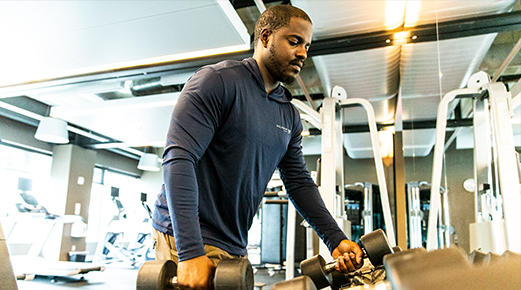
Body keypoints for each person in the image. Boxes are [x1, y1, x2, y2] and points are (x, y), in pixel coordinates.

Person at [151, 4, 363, 289]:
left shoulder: (288, 114)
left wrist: (335, 239)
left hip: (234, 244)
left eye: (307, 46)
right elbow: (179, 159)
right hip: (189, 238)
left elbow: (299, 182)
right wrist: (190, 251)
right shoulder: (218, 82)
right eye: (294, 41)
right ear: (265, 38)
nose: (302, 53)